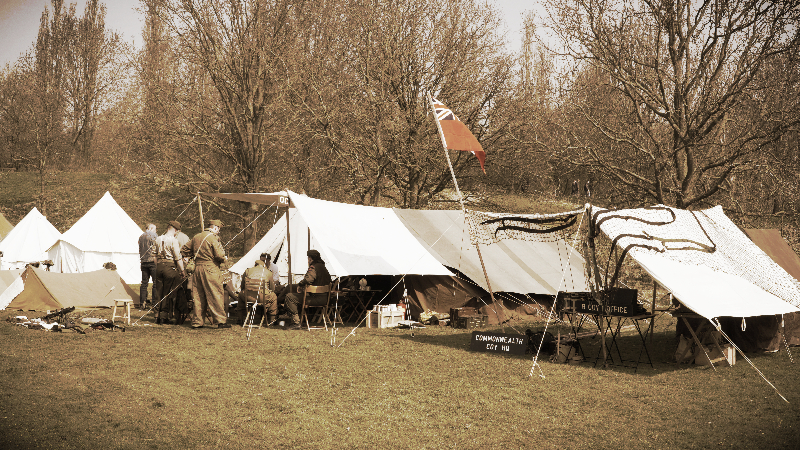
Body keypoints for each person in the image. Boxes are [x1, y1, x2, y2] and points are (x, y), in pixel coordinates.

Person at [181, 219, 230, 329]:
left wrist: (194, 255)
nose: (219, 231)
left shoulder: (196, 237)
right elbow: (219, 255)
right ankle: (220, 321)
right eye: (218, 229)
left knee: (198, 296)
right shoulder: (213, 238)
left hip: (197, 269)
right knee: (215, 294)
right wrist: (224, 258)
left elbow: (184, 249)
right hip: (211, 268)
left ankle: (197, 322)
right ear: (215, 227)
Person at [284, 249, 332, 330]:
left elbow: (308, 279)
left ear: (310, 258)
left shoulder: (313, 267)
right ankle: (300, 319)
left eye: (308, 258)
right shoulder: (324, 268)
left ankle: (296, 322)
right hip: (325, 299)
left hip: (315, 299)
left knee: (290, 297)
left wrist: (300, 284)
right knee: (295, 293)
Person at [153, 221, 186, 325]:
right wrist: (182, 270)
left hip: (159, 266)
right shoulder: (173, 240)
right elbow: (178, 257)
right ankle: (164, 316)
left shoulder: (158, 238)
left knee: (158, 292)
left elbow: (154, 255)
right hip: (169, 266)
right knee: (167, 292)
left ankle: (156, 315)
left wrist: (158, 265)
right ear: (175, 230)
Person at [237, 257, 277, 326]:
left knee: (240, 295)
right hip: (263, 297)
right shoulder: (268, 272)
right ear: (264, 265)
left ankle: (240, 319)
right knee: (274, 296)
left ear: (255, 264)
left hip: (248, 297)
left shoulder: (247, 271)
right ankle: (272, 320)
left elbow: (242, 286)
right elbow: (272, 288)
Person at [138, 223, 157, 309]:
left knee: (144, 283)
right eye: (155, 229)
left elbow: (140, 249)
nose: (156, 231)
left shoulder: (141, 236)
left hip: (143, 261)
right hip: (152, 261)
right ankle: (154, 303)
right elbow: (157, 248)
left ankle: (142, 303)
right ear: (151, 228)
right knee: (155, 283)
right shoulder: (154, 236)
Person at [174, 228, 191, 324]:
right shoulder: (183, 237)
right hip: (180, 264)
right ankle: (181, 311)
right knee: (182, 288)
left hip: (178, 264)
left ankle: (180, 312)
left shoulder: (182, 237)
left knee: (181, 289)